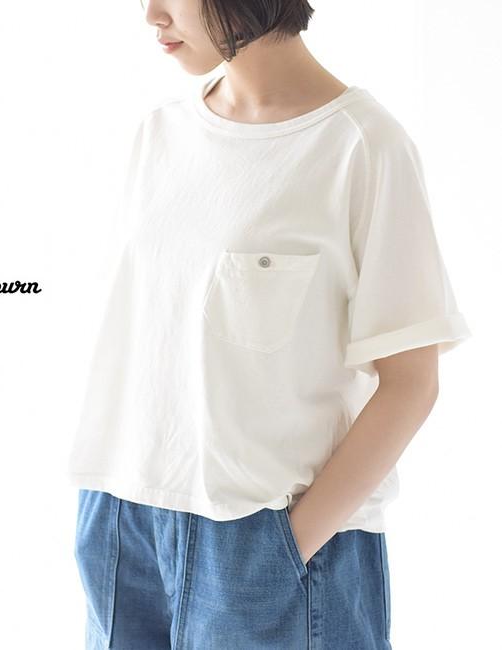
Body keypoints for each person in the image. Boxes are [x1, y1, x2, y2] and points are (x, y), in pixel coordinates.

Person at [68, 1, 472, 648]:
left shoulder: (361, 145)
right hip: (122, 517)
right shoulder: (160, 133)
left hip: (264, 535)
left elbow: (411, 382)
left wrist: (288, 545)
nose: (151, 14)